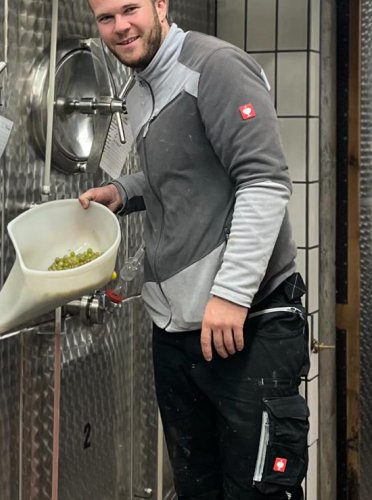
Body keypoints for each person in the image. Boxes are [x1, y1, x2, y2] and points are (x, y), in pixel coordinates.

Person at [79, 1, 310, 498]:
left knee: (257, 491)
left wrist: (231, 294)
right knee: (196, 489)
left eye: (130, 9)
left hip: (247, 325)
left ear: (161, 4)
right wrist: (122, 192)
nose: (120, 27)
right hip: (177, 331)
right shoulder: (140, 89)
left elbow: (264, 181)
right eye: (105, 18)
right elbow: (182, 171)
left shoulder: (216, 67)